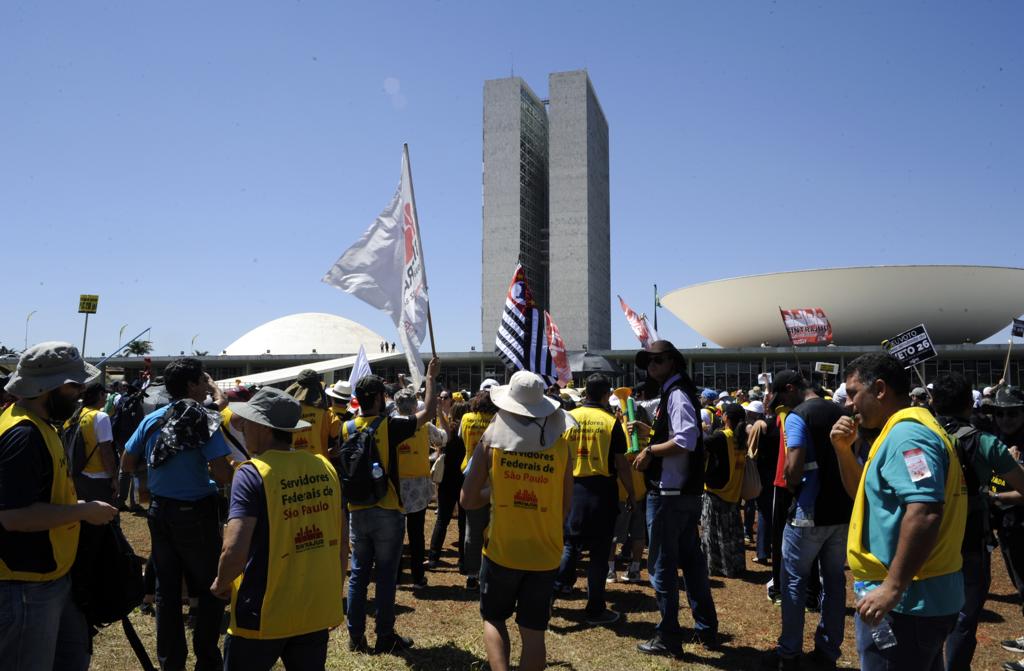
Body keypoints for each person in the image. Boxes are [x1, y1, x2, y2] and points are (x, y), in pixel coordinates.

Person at [830, 353, 967, 671]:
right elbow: (861, 497)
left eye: (853, 393)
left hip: (907, 605)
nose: (849, 404)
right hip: (915, 598)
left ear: (879, 389)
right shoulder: (898, 433)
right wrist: (843, 452)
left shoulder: (908, 436)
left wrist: (892, 587)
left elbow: (925, 512)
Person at [0, 342, 119, 670]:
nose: (81, 392)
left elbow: (38, 498)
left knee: (71, 656)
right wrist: (82, 511)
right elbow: (12, 516)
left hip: (51, 578)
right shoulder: (23, 435)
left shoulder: (40, 424)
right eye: (73, 385)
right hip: (25, 586)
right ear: (44, 388)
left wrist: (77, 504)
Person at [210, 386, 344, 670]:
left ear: (264, 427)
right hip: (315, 606)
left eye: (248, 421)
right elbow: (342, 542)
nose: (243, 427)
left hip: (264, 611)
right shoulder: (324, 466)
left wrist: (221, 583)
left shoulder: (251, 473)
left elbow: (234, 549)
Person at [121, 357, 235, 671]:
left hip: (160, 511)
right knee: (213, 586)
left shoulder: (152, 420)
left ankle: (170, 662)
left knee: (167, 591)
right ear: (192, 385)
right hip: (196, 512)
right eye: (201, 380)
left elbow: (127, 463)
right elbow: (223, 474)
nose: (204, 385)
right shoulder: (202, 421)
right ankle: (207, 657)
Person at [461, 370, 576, 671]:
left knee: (494, 618)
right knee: (534, 632)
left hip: (502, 548)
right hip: (546, 552)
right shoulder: (561, 446)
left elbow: (468, 499)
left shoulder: (491, 441)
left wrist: (495, 489)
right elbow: (565, 507)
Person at [926, 374, 1024, 671]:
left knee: (926, 616)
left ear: (932, 403)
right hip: (969, 536)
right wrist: (993, 497)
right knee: (964, 618)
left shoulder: (918, 435)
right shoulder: (985, 442)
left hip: (927, 535)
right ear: (971, 404)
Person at [343, 358, 440, 655]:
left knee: (358, 574)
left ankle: (355, 637)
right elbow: (428, 414)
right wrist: (430, 378)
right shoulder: (390, 425)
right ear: (378, 399)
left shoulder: (347, 427)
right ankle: (385, 636)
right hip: (387, 507)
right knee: (385, 575)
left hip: (357, 509)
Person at [630, 340, 718, 657]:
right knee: (691, 562)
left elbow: (685, 440)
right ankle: (707, 627)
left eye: (657, 361)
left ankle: (668, 635)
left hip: (670, 494)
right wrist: (649, 431)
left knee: (662, 566)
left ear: (672, 362)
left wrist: (650, 450)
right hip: (684, 492)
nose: (651, 366)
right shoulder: (677, 391)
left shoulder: (676, 393)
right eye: (648, 362)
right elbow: (680, 436)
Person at [763, 379, 849, 671]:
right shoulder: (841, 412)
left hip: (808, 511)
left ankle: (789, 652)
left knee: (794, 582)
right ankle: (828, 651)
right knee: (835, 582)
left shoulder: (798, 416)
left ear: (791, 389)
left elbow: (794, 461)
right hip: (842, 512)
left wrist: (790, 481)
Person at [553, 373, 632, 624]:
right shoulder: (610, 422)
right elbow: (621, 464)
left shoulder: (569, 417)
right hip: (601, 491)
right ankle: (595, 607)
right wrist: (631, 492)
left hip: (571, 487)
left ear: (586, 392)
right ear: (606, 394)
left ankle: (548, 596)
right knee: (599, 552)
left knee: (570, 545)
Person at [392, 388, 447, 588]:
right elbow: (442, 439)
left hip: (396, 485)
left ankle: (396, 576)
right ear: (415, 406)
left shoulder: (390, 424)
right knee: (416, 534)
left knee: (395, 534)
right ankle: (417, 576)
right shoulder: (424, 425)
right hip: (418, 485)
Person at [701, 403, 748, 578]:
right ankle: (734, 565)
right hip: (734, 491)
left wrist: (701, 428)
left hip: (717, 492)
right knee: (731, 533)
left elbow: (699, 443)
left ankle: (716, 566)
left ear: (726, 417)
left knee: (714, 533)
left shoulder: (721, 436)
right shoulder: (741, 436)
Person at [460, 385, 499, 590]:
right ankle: (490, 568)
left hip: (470, 472)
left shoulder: (467, 419)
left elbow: (460, 438)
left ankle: (471, 573)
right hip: (492, 476)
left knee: (472, 529)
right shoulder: (497, 421)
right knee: (493, 526)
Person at [428, 400, 470, 570]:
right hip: (465, 478)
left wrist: (439, 412)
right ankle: (463, 559)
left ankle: (433, 557)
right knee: (463, 522)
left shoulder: (452, 431)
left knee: (442, 520)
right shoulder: (470, 431)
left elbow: (445, 429)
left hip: (447, 479)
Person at [68, 381, 119, 505]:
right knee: (104, 520)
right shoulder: (101, 417)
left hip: (78, 476)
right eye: (105, 394)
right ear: (100, 395)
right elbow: (106, 451)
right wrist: (114, 478)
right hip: (99, 479)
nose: (106, 397)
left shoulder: (76, 414)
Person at [286, 369, 340, 459]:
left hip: (294, 464)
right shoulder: (327, 413)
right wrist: (331, 453)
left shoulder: (288, 412)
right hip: (320, 465)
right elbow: (339, 438)